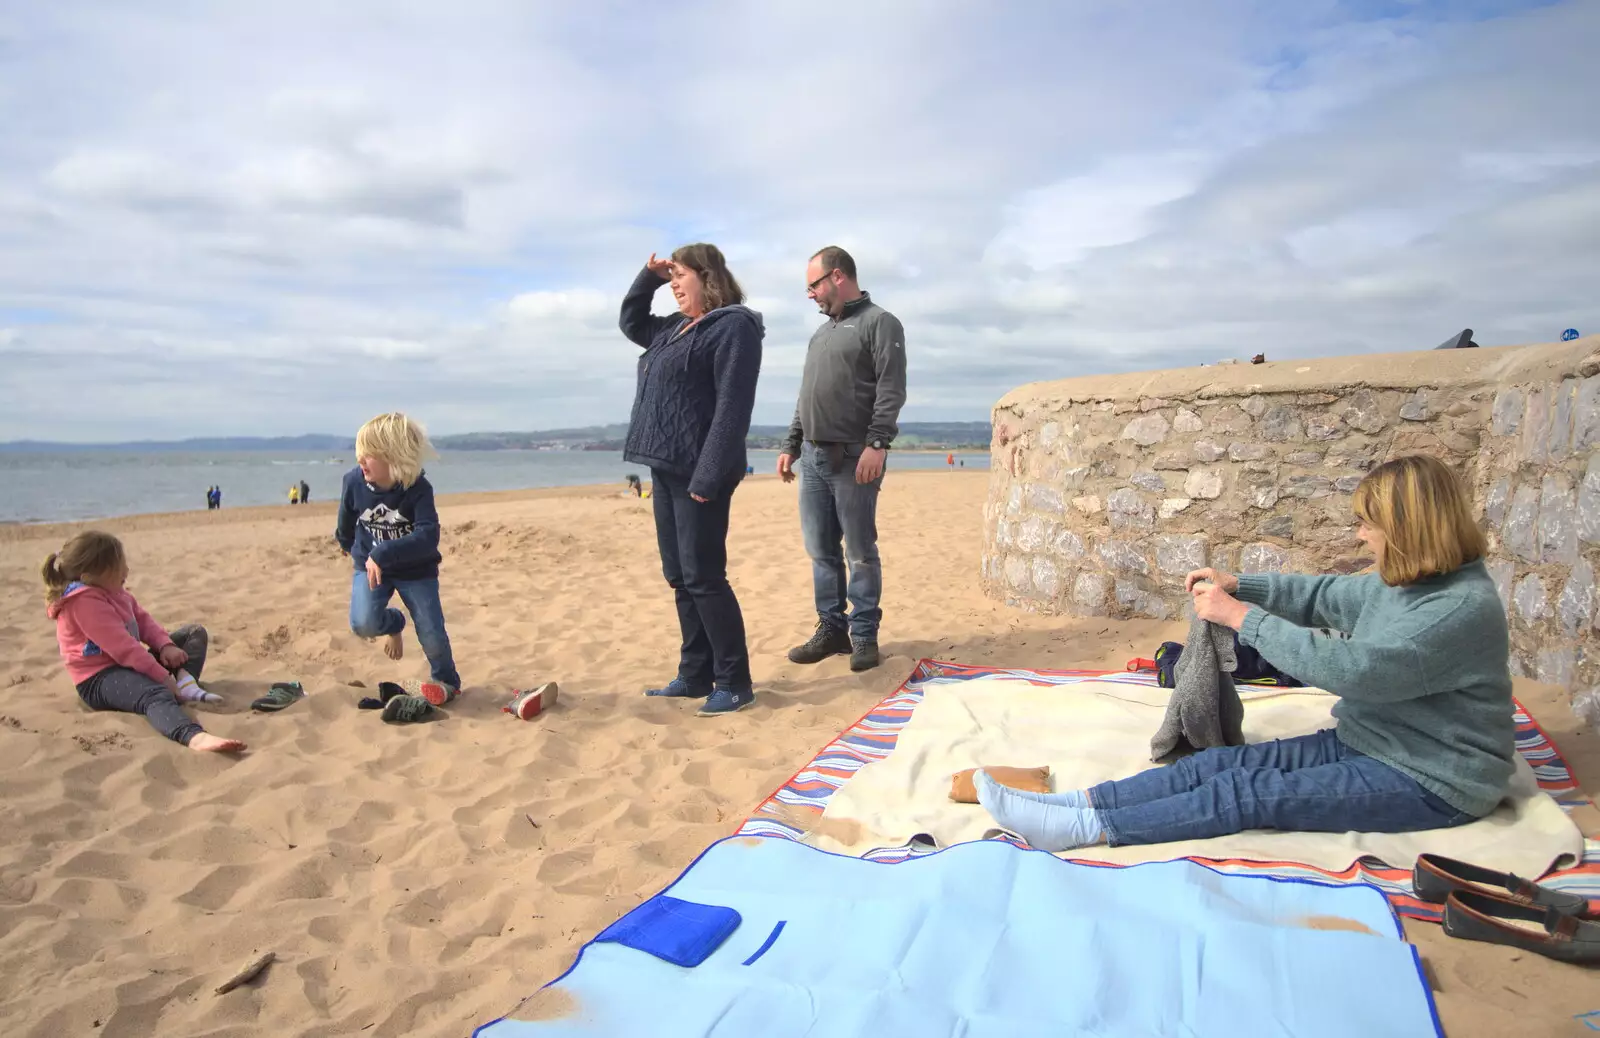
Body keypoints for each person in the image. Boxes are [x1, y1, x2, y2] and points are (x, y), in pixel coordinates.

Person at [975, 454, 1514, 851]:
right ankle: (1076, 804)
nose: (1358, 536)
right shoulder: (1409, 581)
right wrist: (1243, 586)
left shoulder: (1457, 609)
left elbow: (1359, 674)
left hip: (1432, 780)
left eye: (1368, 524)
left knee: (1248, 794)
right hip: (1372, 743)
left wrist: (1240, 618)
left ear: (1406, 529)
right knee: (1219, 765)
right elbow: (1325, 597)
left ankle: (1083, 831)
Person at [619, 245, 763, 716]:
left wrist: (707, 474)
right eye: (672, 277)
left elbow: (732, 409)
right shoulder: (672, 329)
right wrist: (650, 276)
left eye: (681, 276)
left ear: (708, 276)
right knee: (679, 577)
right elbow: (631, 322)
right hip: (665, 467)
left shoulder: (734, 327)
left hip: (703, 470)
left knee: (704, 576)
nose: (675, 285)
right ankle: (696, 674)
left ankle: (735, 680)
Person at [777, 246, 907, 672]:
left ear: (836, 276)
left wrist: (878, 443)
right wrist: (791, 444)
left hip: (855, 458)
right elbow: (806, 396)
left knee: (860, 551)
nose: (810, 294)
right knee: (820, 550)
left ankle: (864, 634)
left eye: (813, 285)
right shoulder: (821, 334)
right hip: (813, 457)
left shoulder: (879, 323)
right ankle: (831, 630)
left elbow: (891, 389)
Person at [44, 531, 245, 753]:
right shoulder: (83, 603)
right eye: (118, 567)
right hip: (99, 678)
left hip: (130, 664)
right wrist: (163, 676)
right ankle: (193, 736)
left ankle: (183, 686)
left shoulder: (115, 591)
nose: (126, 571)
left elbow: (143, 621)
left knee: (193, 633)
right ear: (88, 577)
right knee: (155, 694)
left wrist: (165, 646)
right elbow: (124, 649)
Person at [335, 412, 461, 705]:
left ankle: (446, 681)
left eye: (369, 456)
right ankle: (394, 624)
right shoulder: (353, 482)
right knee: (363, 624)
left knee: (431, 632)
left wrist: (382, 552)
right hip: (370, 566)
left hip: (416, 569)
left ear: (395, 457)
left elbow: (428, 535)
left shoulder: (418, 489)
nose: (360, 461)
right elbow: (347, 517)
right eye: (359, 454)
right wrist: (344, 542)